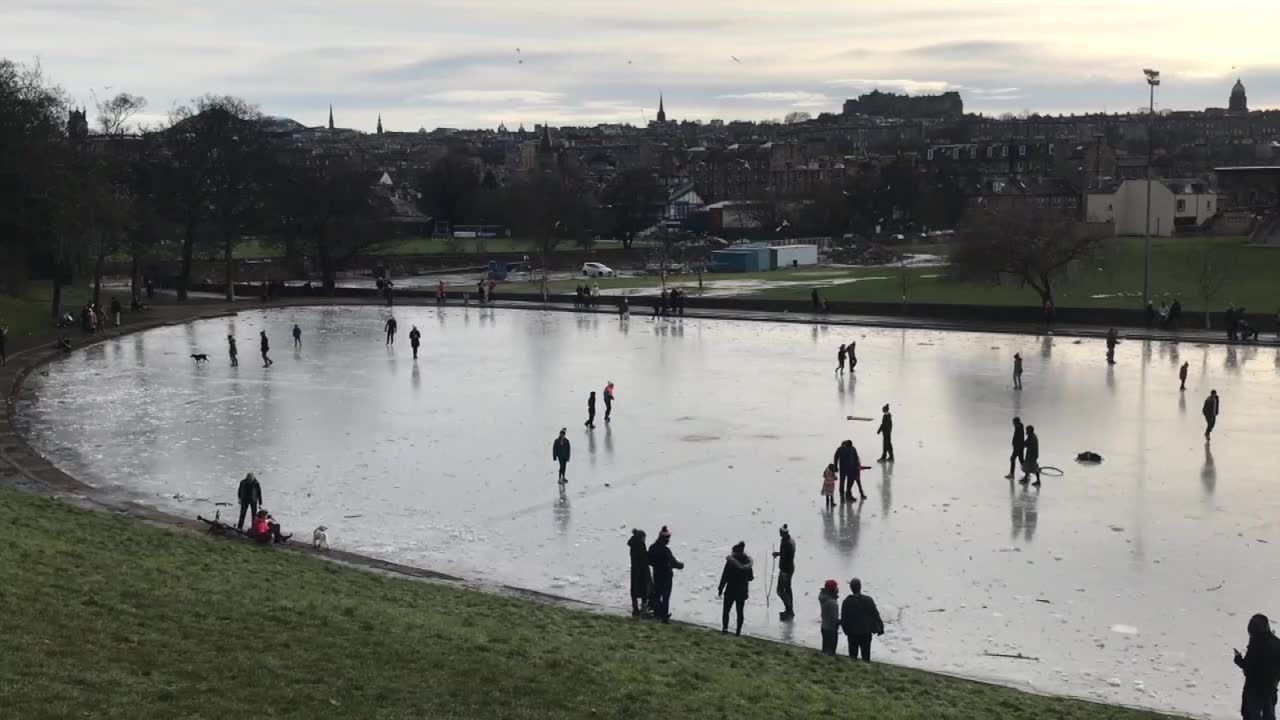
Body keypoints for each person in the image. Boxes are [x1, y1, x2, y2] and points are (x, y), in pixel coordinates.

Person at [1234, 613, 1280, 720]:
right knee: (1269, 716)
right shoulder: (1277, 642)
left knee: (1250, 715)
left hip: (1253, 690)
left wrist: (1237, 658)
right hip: (1270, 689)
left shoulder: (1255, 643)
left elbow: (1247, 666)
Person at [840, 577, 885, 661]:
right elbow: (876, 615)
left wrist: (846, 630)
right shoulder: (868, 600)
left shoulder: (846, 602)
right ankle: (865, 668)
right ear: (860, 587)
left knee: (852, 657)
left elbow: (844, 618)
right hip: (866, 633)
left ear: (851, 588)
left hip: (852, 634)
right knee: (866, 656)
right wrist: (881, 627)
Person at [647, 526, 684, 622]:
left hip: (657, 575)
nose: (668, 540)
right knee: (666, 597)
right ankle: (664, 616)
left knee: (657, 595)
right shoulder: (666, 550)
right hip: (666, 577)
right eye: (667, 538)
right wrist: (680, 565)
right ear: (664, 539)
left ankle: (657, 613)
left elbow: (649, 560)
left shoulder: (652, 547)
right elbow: (673, 563)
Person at [717, 541, 754, 635]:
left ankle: (725, 629)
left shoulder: (730, 562)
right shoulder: (748, 563)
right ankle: (738, 631)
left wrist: (720, 588)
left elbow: (724, 576)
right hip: (742, 591)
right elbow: (751, 578)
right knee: (740, 612)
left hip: (731, 590)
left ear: (735, 552)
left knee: (726, 610)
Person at [773, 524, 796, 621]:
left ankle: (789, 610)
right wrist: (778, 554)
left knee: (780, 590)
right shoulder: (790, 541)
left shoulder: (786, 543)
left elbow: (786, 556)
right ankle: (789, 609)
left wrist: (779, 556)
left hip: (785, 570)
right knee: (787, 589)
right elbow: (785, 554)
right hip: (789, 568)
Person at [628, 529, 652, 617]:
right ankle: (643, 610)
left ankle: (635, 609)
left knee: (634, 590)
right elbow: (643, 557)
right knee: (644, 590)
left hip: (635, 571)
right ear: (641, 537)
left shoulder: (633, 544)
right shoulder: (640, 545)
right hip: (642, 571)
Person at [819, 579, 840, 655]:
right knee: (831, 652)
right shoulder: (832, 602)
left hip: (824, 626)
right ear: (832, 589)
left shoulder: (823, 598)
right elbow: (834, 619)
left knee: (825, 649)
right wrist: (842, 622)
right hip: (831, 629)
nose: (838, 589)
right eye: (836, 587)